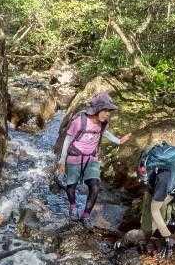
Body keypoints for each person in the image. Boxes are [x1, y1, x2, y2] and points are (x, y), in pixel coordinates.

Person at [55, 91, 130, 223]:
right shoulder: (80, 121)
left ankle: (86, 215)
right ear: (97, 109)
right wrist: (62, 161)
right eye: (105, 110)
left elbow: (105, 133)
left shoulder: (103, 123)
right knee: (71, 186)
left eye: (109, 111)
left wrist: (118, 141)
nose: (107, 114)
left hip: (91, 159)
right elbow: (67, 140)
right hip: (74, 157)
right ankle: (73, 207)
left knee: (95, 186)